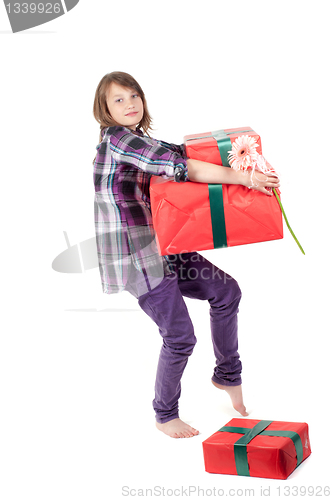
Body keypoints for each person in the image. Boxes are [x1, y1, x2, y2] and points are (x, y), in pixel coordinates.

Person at [92, 72, 280, 438]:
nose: (129, 103)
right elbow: (183, 168)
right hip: (136, 257)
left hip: (163, 245)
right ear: (104, 109)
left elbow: (181, 153)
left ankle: (226, 376)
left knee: (226, 292)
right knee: (179, 336)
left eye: (134, 95)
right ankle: (165, 415)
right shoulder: (118, 140)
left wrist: (241, 159)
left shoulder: (137, 139)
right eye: (118, 99)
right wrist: (242, 179)